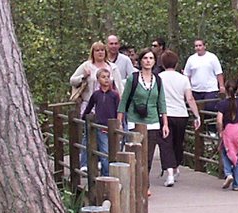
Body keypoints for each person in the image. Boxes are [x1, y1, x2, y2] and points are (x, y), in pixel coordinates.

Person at [69, 41, 124, 170]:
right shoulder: (86, 66)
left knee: (105, 132)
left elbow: (119, 85)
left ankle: (102, 162)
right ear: (92, 53)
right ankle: (85, 163)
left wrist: (121, 104)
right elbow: (72, 80)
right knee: (89, 132)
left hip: (108, 104)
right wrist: (84, 76)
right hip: (90, 102)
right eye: (97, 50)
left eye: (102, 50)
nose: (100, 53)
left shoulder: (112, 67)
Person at [121, 48, 169, 182]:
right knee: (136, 154)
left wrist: (165, 123)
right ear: (140, 61)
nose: (148, 61)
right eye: (145, 58)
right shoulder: (133, 78)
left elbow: (162, 102)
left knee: (148, 156)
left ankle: (144, 183)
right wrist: (120, 121)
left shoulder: (158, 80)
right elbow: (124, 100)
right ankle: (135, 181)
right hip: (134, 120)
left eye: (151, 58)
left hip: (153, 121)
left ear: (154, 61)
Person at [157, 49, 201, 187]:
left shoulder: (158, 78)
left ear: (162, 64)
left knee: (166, 143)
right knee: (178, 142)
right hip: (181, 114)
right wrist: (197, 115)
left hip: (164, 114)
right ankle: (175, 168)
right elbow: (189, 98)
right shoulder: (183, 79)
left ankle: (170, 172)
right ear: (176, 64)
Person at [81, 68, 120, 177]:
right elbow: (89, 107)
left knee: (114, 151)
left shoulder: (114, 95)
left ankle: (110, 174)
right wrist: (84, 118)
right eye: (103, 77)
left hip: (112, 127)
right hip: (100, 126)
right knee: (104, 152)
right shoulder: (96, 94)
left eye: (108, 77)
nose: (106, 79)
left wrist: (120, 123)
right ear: (98, 79)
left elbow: (119, 110)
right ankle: (106, 176)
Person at [217, 81, 238, 190]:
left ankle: (228, 173)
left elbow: (219, 121)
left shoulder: (222, 104)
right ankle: (237, 184)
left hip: (229, 130)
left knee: (226, 152)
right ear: (237, 89)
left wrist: (221, 132)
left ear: (225, 90)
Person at [184, 38, 225, 112]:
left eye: (200, 45)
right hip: (195, 90)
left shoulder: (212, 57)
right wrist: (188, 88)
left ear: (204, 46)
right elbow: (187, 75)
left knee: (209, 110)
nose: (198, 48)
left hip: (210, 90)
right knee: (197, 111)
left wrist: (221, 86)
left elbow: (219, 73)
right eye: (196, 46)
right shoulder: (191, 59)